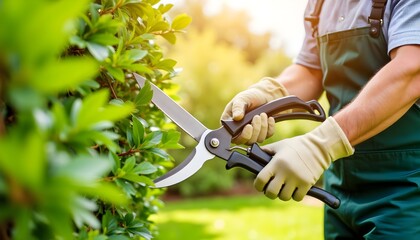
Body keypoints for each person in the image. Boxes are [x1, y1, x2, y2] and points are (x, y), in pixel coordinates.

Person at [221, 0, 420, 239]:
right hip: (341, 187)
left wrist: (321, 144)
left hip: (408, 187)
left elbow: (411, 69)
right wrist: (269, 95)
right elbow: (311, 69)